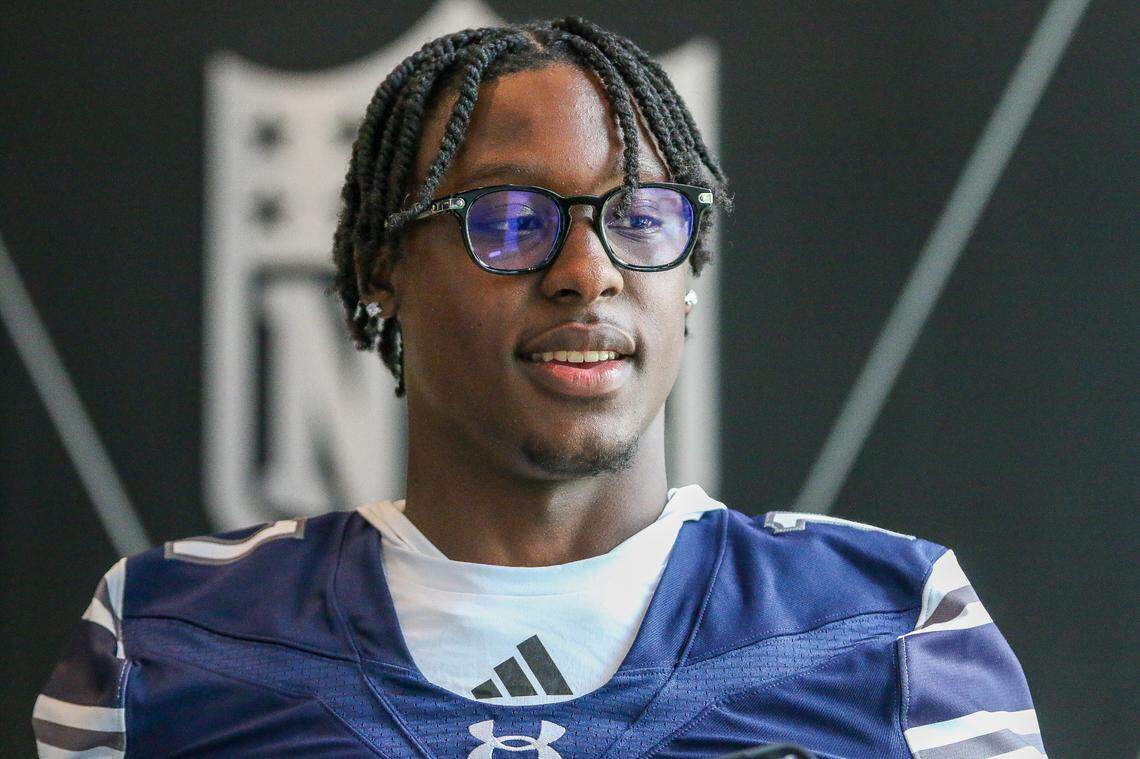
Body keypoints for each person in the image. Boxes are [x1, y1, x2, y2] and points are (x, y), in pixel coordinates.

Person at [33, 18, 1044, 758]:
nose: (588, 270)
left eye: (641, 216)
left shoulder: (893, 627)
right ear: (385, 270)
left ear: (688, 278)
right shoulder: (168, 639)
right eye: (511, 219)